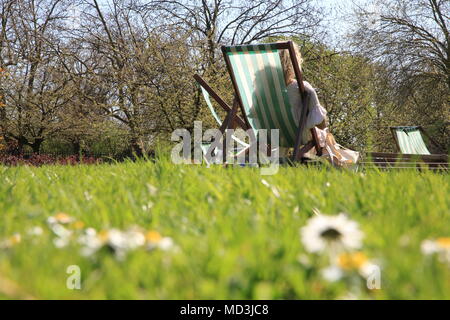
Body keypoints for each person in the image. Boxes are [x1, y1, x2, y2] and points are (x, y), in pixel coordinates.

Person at [278, 43, 359, 166]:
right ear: (295, 64)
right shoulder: (301, 87)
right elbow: (319, 120)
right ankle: (338, 165)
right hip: (297, 135)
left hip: (270, 134)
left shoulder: (261, 91)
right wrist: (325, 130)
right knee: (323, 135)